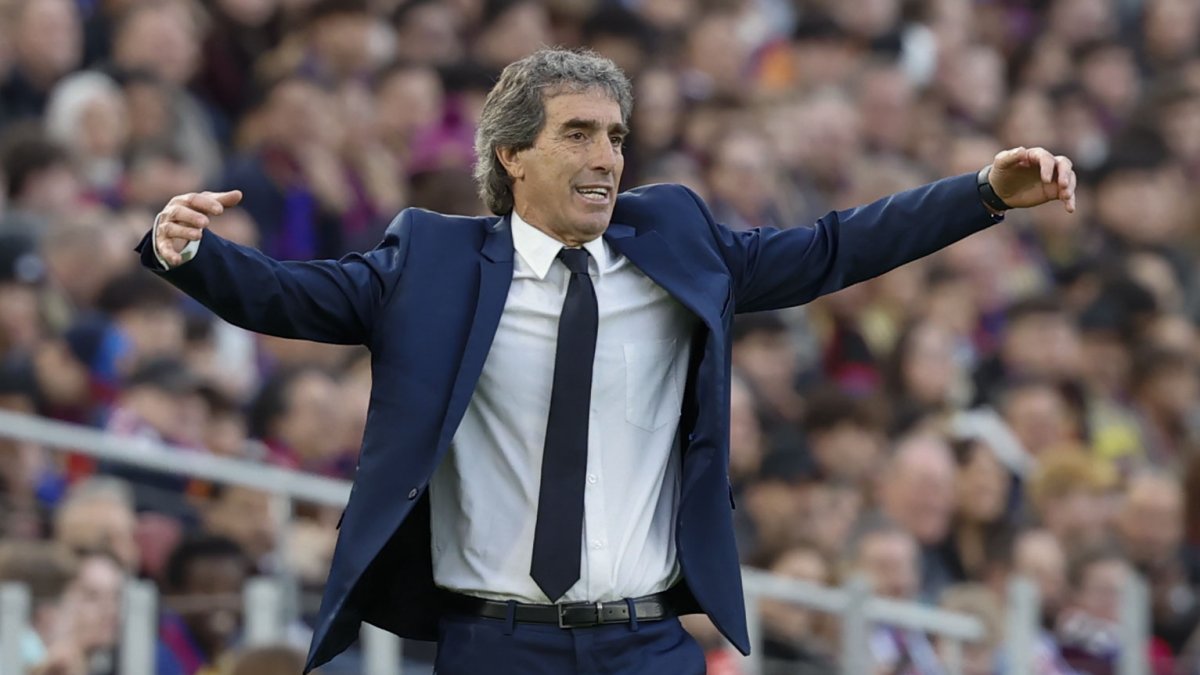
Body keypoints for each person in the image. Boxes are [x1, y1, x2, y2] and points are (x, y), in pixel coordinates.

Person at [139, 48, 1077, 674]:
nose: (606, 157)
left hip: (647, 644)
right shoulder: (431, 262)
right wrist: (190, 251)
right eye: (578, 134)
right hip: (493, 641)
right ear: (511, 155)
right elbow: (294, 298)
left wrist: (982, 192)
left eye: (617, 136)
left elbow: (835, 246)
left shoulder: (680, 243)